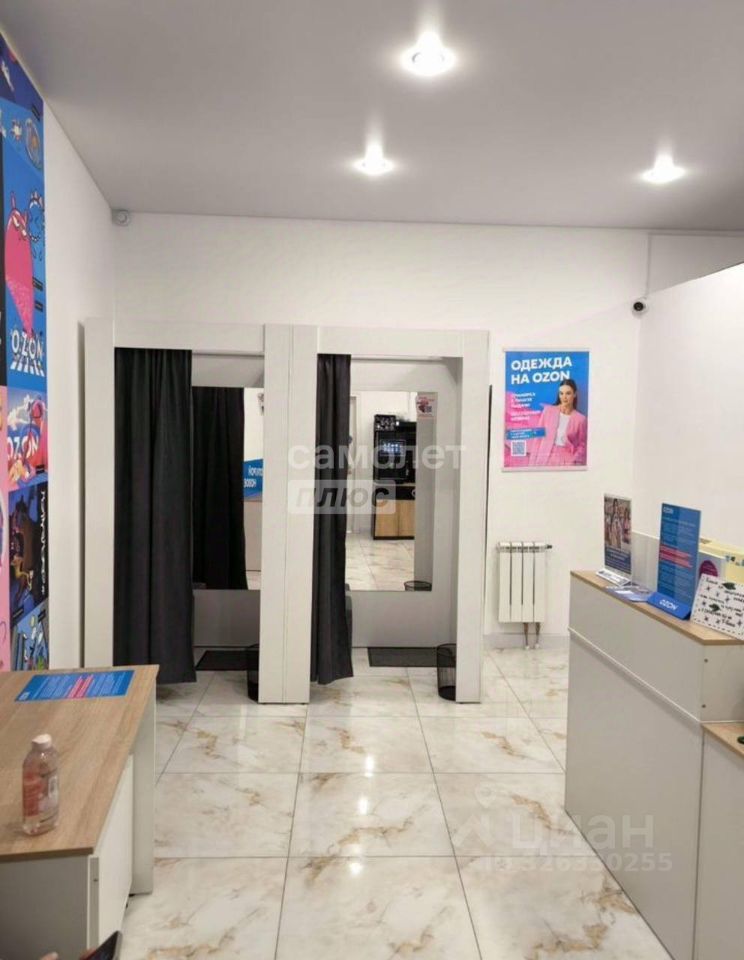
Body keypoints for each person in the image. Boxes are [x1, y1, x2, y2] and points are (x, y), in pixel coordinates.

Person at [528, 378, 587, 467]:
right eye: (561, 393)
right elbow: (538, 438)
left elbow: (582, 445)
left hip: (566, 461)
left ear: (574, 394)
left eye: (568, 393)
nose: (564, 397)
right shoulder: (548, 411)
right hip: (544, 458)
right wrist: (531, 463)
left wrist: (574, 461)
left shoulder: (580, 419)